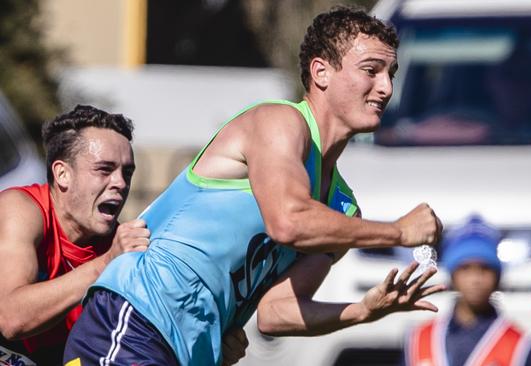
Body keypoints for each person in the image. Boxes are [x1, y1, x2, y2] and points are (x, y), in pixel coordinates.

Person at [63, 5, 445, 366]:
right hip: (135, 321)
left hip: (186, 351)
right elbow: (288, 222)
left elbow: (276, 313)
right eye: (371, 70)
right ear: (321, 72)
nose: (386, 88)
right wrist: (397, 232)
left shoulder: (343, 211)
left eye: (391, 74)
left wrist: (362, 310)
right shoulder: (279, 123)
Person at [0, 105, 149, 365]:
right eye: (104, 169)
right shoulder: (21, 210)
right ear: (62, 174)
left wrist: (216, 347)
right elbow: (11, 319)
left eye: (127, 172)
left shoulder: (121, 249)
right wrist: (105, 264)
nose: (121, 183)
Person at [405, 215, 531, 366]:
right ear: (452, 275)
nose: (475, 279)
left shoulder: (520, 345)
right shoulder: (419, 338)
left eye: (485, 269)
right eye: (465, 269)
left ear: (497, 277)